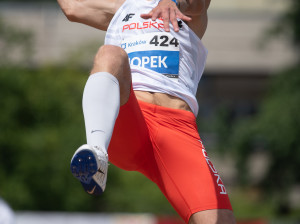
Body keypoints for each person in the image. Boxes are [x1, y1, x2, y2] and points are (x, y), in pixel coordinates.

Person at [57, 0, 236, 223]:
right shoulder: (122, 9)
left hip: (176, 130)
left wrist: (173, 2)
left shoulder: (187, 10)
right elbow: (72, 7)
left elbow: (199, 3)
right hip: (132, 120)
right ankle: (96, 156)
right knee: (110, 54)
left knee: (222, 220)